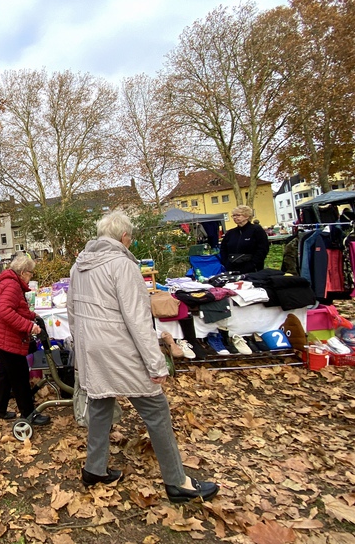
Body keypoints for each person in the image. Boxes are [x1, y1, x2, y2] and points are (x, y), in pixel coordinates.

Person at [67, 210, 219, 503]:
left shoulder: (79, 265)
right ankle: (177, 482)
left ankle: (94, 469)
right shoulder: (122, 265)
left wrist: (81, 350)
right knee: (156, 410)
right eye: (130, 239)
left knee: (100, 406)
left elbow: (72, 314)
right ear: (124, 238)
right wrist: (155, 362)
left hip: (92, 349)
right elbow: (138, 319)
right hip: (120, 349)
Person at [0, 252, 50, 425]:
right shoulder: (12, 286)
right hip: (7, 336)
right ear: (23, 272)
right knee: (19, 374)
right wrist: (29, 326)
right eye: (30, 273)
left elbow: (17, 308)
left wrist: (32, 315)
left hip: (1, 334)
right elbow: (5, 310)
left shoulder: (10, 282)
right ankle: (28, 414)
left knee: (5, 373)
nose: (31, 276)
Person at [219, 205, 270, 273]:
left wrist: (253, 264)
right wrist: (226, 263)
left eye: (238, 215)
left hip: (252, 269)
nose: (235, 217)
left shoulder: (256, 230)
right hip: (232, 268)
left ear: (246, 216)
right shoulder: (230, 233)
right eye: (233, 216)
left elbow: (263, 249)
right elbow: (223, 249)